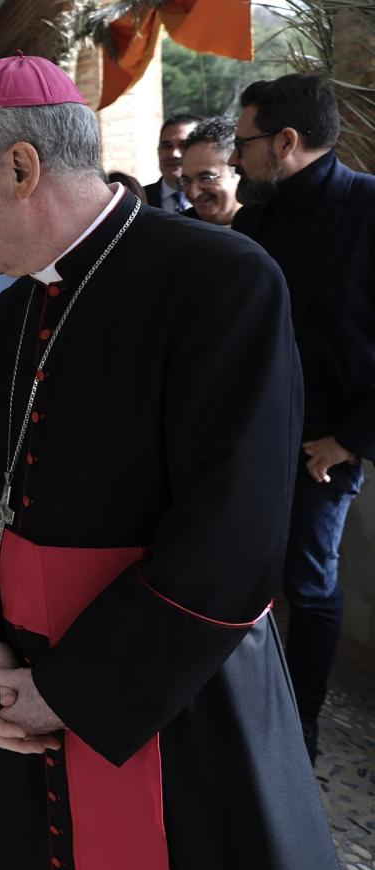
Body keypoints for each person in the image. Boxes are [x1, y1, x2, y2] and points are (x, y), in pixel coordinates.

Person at [0, 55, 354, 870]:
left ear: (19, 168)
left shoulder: (222, 280)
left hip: (172, 694)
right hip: (31, 689)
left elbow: (233, 542)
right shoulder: (14, 311)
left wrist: (74, 690)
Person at [231, 74, 375, 762]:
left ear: (285, 142)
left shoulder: (368, 207)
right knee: (240, 578)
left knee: (310, 585)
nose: (234, 159)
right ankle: (247, 712)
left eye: (244, 143)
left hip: (325, 444)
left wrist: (349, 440)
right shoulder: (255, 217)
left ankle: (304, 725)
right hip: (252, 437)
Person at [179, 116, 241, 227]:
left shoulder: (273, 227)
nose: (193, 193)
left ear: (239, 172)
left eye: (206, 178)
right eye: (186, 181)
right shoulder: (180, 230)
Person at [143, 113, 199, 211]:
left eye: (184, 145)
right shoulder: (139, 200)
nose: (174, 154)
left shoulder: (213, 199)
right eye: (167, 146)